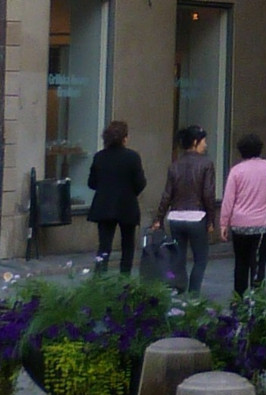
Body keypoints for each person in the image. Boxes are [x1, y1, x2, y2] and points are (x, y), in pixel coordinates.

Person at [220, 133, 266, 295]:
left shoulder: (236, 171)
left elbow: (228, 200)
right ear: (260, 149)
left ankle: (238, 298)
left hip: (240, 225)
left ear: (241, 152)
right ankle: (257, 299)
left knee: (241, 262)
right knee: (259, 263)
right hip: (265, 224)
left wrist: (224, 223)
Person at [155, 125, 218, 293]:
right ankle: (194, 296)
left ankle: (180, 291)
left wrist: (158, 218)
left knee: (179, 258)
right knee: (200, 259)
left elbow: (167, 194)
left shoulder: (175, 165)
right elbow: (208, 194)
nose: (206, 144)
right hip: (197, 216)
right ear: (196, 142)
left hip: (175, 216)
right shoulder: (206, 164)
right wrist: (212, 219)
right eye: (204, 141)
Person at [85, 119, 145, 275]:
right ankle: (124, 279)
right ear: (124, 138)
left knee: (104, 246)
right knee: (128, 245)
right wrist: (130, 192)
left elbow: (91, 183)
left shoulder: (100, 157)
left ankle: (100, 279)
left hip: (104, 205)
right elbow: (140, 183)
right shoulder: (132, 157)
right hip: (127, 205)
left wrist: (105, 189)